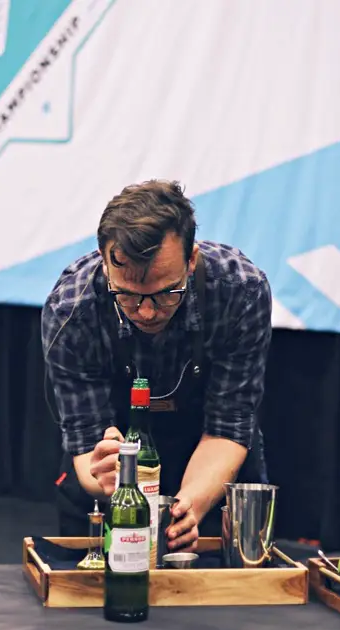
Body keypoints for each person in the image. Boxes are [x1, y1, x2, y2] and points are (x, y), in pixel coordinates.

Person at [42, 179, 273, 552]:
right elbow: (87, 442)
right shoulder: (71, 310)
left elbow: (229, 425)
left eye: (167, 292)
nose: (147, 312)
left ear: (191, 259)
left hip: (207, 463)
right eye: (128, 296)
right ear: (105, 265)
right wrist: (105, 475)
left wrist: (188, 507)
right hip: (113, 475)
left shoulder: (239, 292)